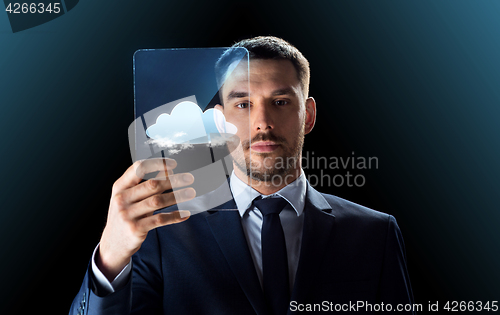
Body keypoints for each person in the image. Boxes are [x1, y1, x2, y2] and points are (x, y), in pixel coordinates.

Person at [70, 36, 414, 315]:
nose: (262, 122)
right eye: (243, 104)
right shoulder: (163, 232)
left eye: (280, 102)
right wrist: (111, 257)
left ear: (307, 116)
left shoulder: (375, 233)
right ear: (219, 122)